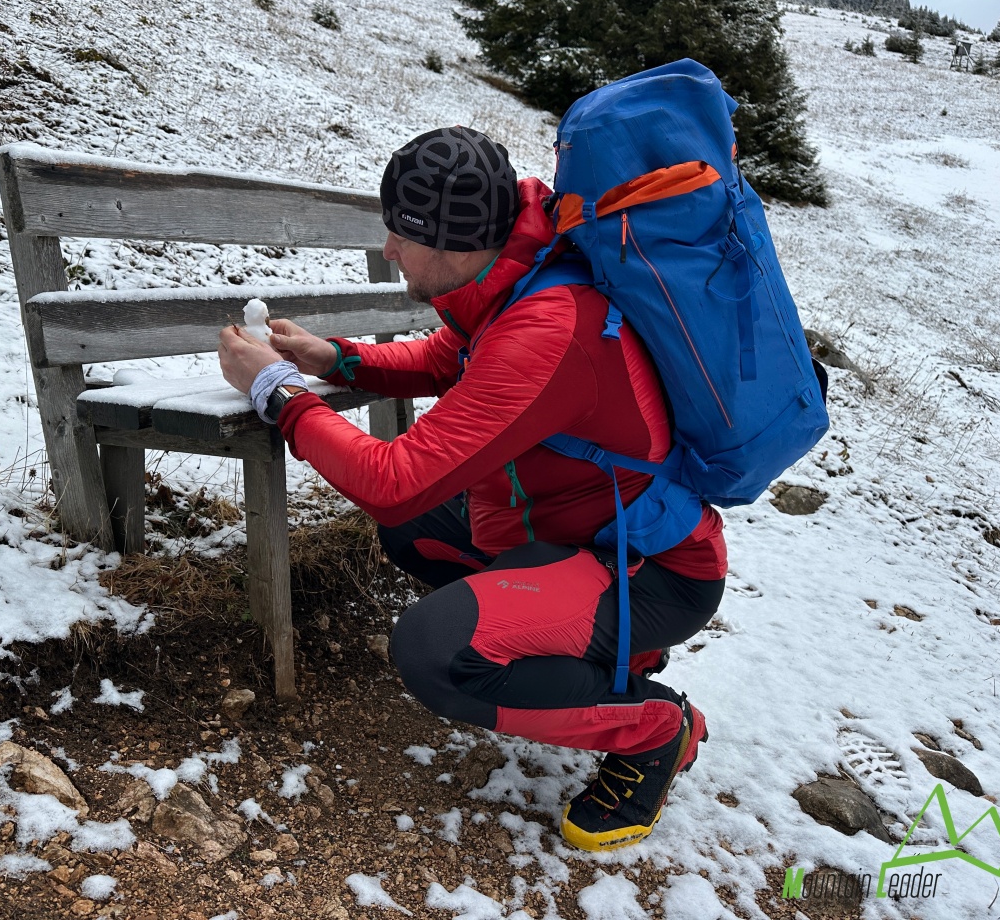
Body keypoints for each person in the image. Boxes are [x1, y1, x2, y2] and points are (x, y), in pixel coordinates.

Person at [217, 126, 726, 853]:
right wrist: (336, 358)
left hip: (650, 570)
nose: (388, 250)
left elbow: (392, 481)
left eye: (401, 234)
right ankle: (595, 654)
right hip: (572, 538)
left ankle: (655, 730)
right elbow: (448, 358)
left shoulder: (547, 327)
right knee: (416, 529)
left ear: (453, 244)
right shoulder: (521, 276)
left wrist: (278, 391)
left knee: (437, 654)